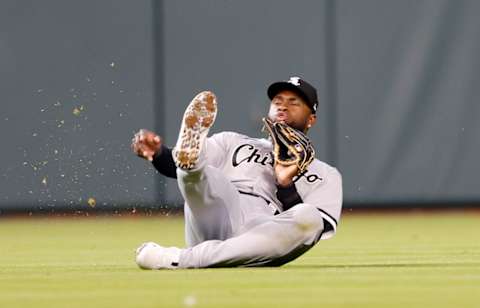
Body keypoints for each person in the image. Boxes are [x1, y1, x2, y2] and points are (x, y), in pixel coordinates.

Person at [131, 76, 342, 269]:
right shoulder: (233, 141)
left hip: (262, 232)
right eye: (277, 101)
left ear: (311, 119)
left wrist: (285, 185)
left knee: (310, 217)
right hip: (218, 213)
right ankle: (185, 257)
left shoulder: (326, 173)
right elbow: (173, 166)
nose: (282, 106)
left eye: (293, 102)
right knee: (202, 171)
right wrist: (158, 153)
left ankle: (184, 258)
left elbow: (309, 233)